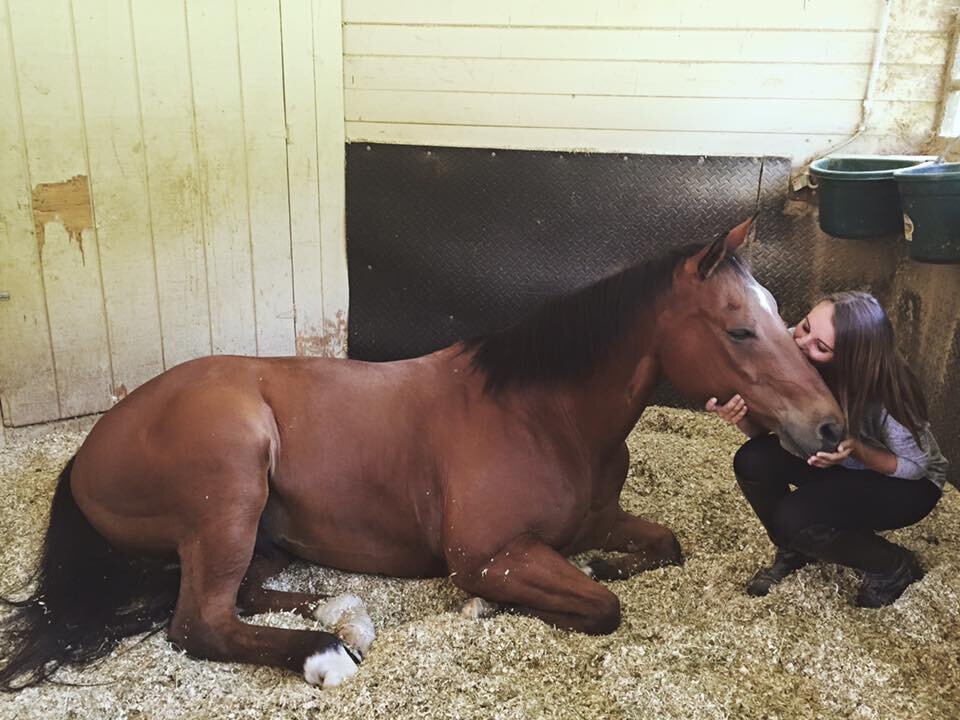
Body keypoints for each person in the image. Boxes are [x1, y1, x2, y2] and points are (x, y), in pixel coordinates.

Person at [707, 291, 948, 607]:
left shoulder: (886, 392)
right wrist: (740, 417)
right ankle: (796, 549)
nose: (801, 344)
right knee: (752, 461)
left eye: (821, 347)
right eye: (805, 327)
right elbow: (762, 432)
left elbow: (916, 467)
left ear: (850, 359)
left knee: (794, 517)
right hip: (838, 462)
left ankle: (892, 566)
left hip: (906, 484)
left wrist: (857, 451)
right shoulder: (790, 349)